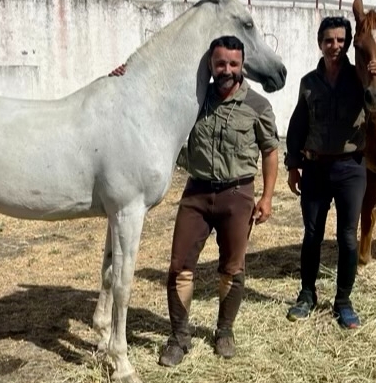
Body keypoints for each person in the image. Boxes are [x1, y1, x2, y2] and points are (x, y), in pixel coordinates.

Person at [110, 35, 280, 366]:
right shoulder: (195, 100)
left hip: (237, 195)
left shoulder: (258, 106)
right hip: (197, 194)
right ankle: (179, 337)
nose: (227, 70)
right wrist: (122, 77)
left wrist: (267, 196)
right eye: (220, 64)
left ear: (242, 65)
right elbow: (148, 97)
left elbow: (271, 151)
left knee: (232, 269)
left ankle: (225, 330)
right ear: (211, 66)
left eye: (233, 63)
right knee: (179, 268)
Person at [284, 16, 376, 328]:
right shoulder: (309, 82)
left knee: (348, 238)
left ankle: (343, 301)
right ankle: (307, 295)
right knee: (312, 236)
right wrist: (292, 165)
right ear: (320, 43)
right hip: (314, 169)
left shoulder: (362, 78)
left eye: (340, 40)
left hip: (350, 169)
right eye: (328, 40)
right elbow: (298, 124)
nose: (334, 46)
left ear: (348, 44)